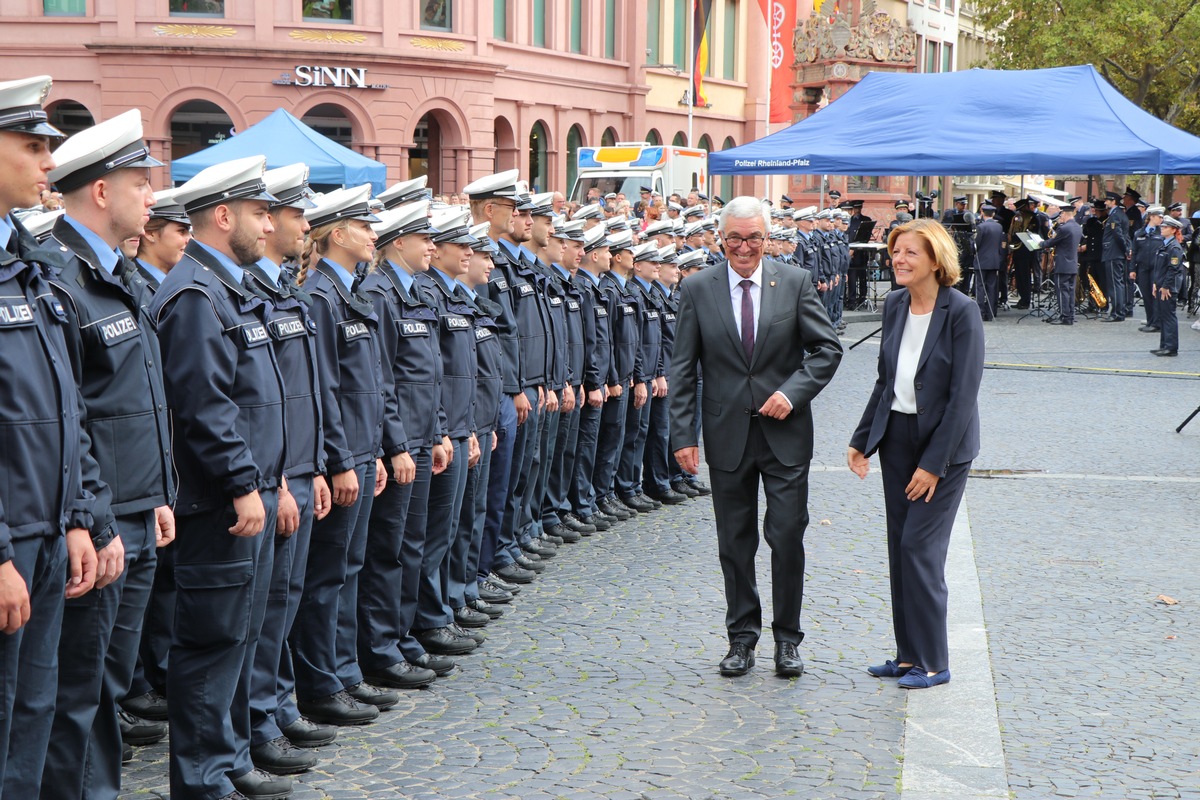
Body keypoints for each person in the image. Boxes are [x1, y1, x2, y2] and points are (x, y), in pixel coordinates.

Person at [40, 108, 176, 800]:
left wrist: (155, 493)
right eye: (139, 182)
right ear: (101, 191)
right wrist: (94, 518)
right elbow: (73, 420)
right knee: (79, 693)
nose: (151, 195)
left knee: (107, 687)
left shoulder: (116, 275)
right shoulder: (62, 281)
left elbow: (137, 402)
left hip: (131, 511)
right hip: (100, 522)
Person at [150, 155, 290, 800]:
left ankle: (229, 760)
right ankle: (202, 778)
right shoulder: (196, 296)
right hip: (219, 503)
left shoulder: (225, 289)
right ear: (224, 215)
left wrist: (269, 479)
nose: (270, 227)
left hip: (249, 490)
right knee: (210, 641)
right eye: (261, 213)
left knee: (239, 633)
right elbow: (204, 405)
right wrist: (241, 482)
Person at [669, 196, 842, 678]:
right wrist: (682, 435)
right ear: (720, 239)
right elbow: (682, 369)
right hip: (726, 435)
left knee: (787, 537)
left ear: (767, 239)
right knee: (735, 541)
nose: (744, 247)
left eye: (754, 238)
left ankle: (788, 639)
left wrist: (792, 393)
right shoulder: (697, 288)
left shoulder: (794, 282)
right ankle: (741, 638)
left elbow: (827, 349)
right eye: (734, 238)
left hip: (784, 433)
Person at [0, 74, 100, 799]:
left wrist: (74, 519)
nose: (48, 164)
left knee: (33, 714)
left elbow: (64, 407)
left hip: (44, 531)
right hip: (7, 541)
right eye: (32, 146)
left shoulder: (28, 267)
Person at [847, 218, 984, 690]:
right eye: (895, 251)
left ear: (935, 260)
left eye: (910, 253)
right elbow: (886, 382)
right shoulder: (894, 304)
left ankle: (935, 662)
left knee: (919, 548)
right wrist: (862, 439)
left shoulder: (961, 311)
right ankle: (907, 656)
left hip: (943, 446)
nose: (898, 260)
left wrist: (933, 466)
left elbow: (963, 398)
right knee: (898, 547)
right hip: (897, 439)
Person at [1039, 203, 1082, 325]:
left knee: (1062, 290)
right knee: (1070, 291)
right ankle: (1071, 315)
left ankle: (1065, 316)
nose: (1060, 216)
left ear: (1064, 213)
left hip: (1063, 264)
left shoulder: (1064, 228)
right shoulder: (1078, 227)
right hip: (1073, 263)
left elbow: (1053, 242)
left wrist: (1041, 243)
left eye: (1061, 214)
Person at [1151, 215, 1186, 357]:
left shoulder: (1174, 247)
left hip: (1168, 287)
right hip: (1161, 285)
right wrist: (1155, 283)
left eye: (1165, 227)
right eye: (1162, 226)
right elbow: (1159, 267)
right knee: (1163, 315)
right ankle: (1164, 345)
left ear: (1173, 230)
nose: (1162, 228)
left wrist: (1165, 286)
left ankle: (1171, 347)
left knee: (1169, 316)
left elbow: (1173, 269)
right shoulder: (1165, 244)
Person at [1101, 190, 1133, 322]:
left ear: (1113, 201)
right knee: (1118, 283)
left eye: (1107, 200)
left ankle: (1116, 313)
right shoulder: (1120, 214)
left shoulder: (1115, 215)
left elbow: (1118, 235)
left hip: (1113, 253)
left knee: (1114, 284)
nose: (1105, 202)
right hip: (1116, 252)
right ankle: (1119, 311)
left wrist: (1126, 249)